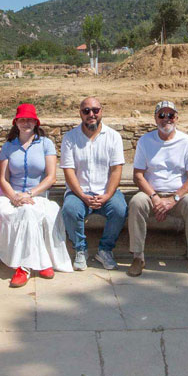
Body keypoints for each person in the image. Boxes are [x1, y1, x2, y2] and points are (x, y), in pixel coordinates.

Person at [0, 104, 74, 287]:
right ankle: (38, 264)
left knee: (30, 212)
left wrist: (29, 194)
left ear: (36, 122)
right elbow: (4, 179)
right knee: (24, 212)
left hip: (37, 196)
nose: (26, 123)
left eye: (29, 119)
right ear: (16, 123)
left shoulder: (46, 144)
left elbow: (51, 177)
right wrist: (15, 197)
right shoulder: (8, 146)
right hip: (12, 197)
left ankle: (25, 265)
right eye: (22, 119)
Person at [127, 100, 188, 278]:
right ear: (155, 118)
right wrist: (155, 198)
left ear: (176, 118)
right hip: (151, 193)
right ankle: (138, 257)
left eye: (170, 115)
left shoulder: (187, 142)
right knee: (136, 203)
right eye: (161, 115)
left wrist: (173, 200)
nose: (166, 119)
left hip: (179, 195)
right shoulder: (145, 141)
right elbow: (138, 175)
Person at [59, 96, 127, 271]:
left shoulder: (113, 137)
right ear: (80, 113)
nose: (91, 114)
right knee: (70, 210)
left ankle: (105, 250)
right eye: (86, 111)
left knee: (120, 209)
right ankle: (80, 249)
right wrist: (82, 195)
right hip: (79, 192)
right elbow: (69, 171)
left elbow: (116, 170)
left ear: (101, 111)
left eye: (95, 110)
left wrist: (106, 196)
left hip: (106, 191)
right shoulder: (70, 138)